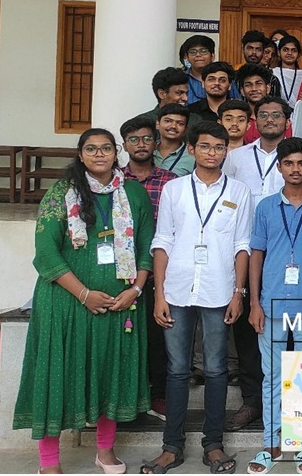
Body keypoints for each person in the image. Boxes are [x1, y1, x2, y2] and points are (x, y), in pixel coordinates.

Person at [14, 128, 154, 475]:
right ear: (80, 154)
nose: (99, 154)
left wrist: (135, 290)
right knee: (55, 375)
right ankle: (49, 463)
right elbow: (46, 253)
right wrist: (83, 294)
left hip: (118, 304)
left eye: (106, 148)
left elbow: (146, 248)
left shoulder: (133, 193)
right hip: (65, 304)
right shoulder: (61, 192)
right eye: (91, 149)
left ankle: (105, 453)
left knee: (110, 375)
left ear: (116, 152)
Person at [143, 121, 253, 475]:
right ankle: (171, 447)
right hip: (176, 289)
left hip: (219, 290)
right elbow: (162, 241)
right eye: (205, 146)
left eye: (219, 147)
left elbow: (242, 245)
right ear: (191, 149)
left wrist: (238, 294)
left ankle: (214, 445)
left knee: (217, 369)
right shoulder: (174, 190)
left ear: (226, 151)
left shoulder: (240, 190)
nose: (212, 153)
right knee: (176, 371)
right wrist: (159, 294)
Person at [245, 137, 302, 475]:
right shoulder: (265, 207)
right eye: (288, 163)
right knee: (273, 376)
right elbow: (256, 255)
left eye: (301, 163)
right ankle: (271, 442)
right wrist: (254, 302)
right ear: (279, 167)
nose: (295, 169)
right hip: (273, 303)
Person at [120, 116, 177, 420]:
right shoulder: (115, 180)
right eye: (133, 139)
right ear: (124, 145)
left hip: (159, 271)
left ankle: (158, 396)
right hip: (121, 272)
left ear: (156, 143)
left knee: (157, 339)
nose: (140, 145)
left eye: (146, 139)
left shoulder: (170, 181)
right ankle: (124, 397)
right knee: (124, 339)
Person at [236, 63, 276, 145]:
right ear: (242, 91)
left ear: (268, 88)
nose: (254, 89)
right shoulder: (236, 119)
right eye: (248, 85)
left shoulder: (279, 118)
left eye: (258, 84)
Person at [154, 104, 195, 176]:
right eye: (168, 121)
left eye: (180, 123)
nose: (173, 126)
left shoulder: (193, 156)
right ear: (157, 124)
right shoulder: (148, 150)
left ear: (186, 129)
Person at [180, 35, 221, 104]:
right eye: (193, 52)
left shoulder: (224, 79)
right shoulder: (180, 78)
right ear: (187, 57)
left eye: (203, 51)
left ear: (212, 56)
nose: (198, 55)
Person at [271, 35, 302, 105]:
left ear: (299, 54)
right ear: (278, 52)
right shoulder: (273, 72)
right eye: (285, 50)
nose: (289, 53)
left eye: (294, 50)